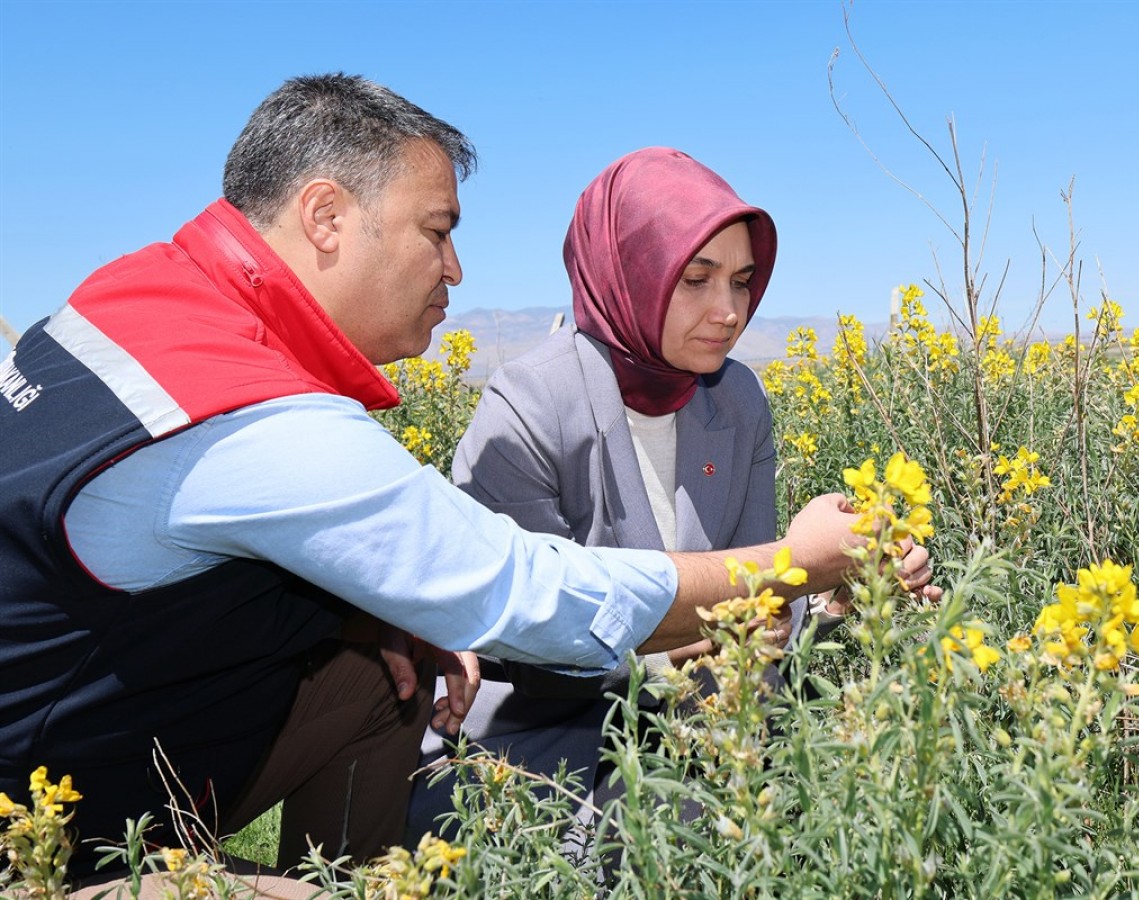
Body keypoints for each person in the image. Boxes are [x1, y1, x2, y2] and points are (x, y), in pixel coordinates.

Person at [0, 75, 917, 880]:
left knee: (381, 662)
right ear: (325, 217)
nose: (456, 267)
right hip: (31, 826)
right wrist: (796, 564)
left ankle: (351, 879)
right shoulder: (253, 420)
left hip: (80, 731)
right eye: (436, 231)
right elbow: (526, 593)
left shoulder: (141, 299)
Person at [405, 148, 940, 840]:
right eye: (696, 279)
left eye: (743, 282)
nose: (728, 312)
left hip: (709, 725)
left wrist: (836, 594)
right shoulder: (529, 405)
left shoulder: (738, 397)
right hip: (547, 752)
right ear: (629, 275)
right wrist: (752, 597)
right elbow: (539, 642)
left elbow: (758, 597)